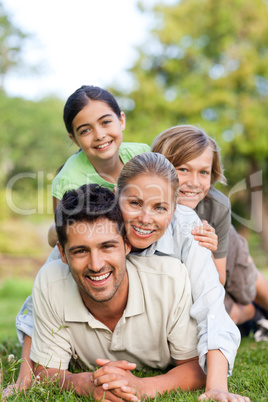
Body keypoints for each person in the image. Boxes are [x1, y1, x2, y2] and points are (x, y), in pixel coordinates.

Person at [12, 153, 247, 402]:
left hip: (177, 311)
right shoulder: (95, 222)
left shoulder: (188, 231)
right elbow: (38, 301)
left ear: (175, 207)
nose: (145, 219)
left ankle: (250, 311)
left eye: (160, 207)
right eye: (134, 203)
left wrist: (217, 386)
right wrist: (25, 380)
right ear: (116, 195)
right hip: (139, 311)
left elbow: (210, 306)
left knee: (231, 303)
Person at [31, 183, 207, 400]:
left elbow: (196, 366)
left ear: (126, 244)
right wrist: (84, 383)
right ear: (63, 254)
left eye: (107, 246)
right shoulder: (50, 282)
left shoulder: (170, 279)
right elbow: (44, 372)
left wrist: (141, 386)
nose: (96, 265)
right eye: (80, 251)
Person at [151, 124, 268, 338]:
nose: (194, 182)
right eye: (183, 169)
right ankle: (251, 312)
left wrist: (212, 251)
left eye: (203, 172)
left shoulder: (217, 205)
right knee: (223, 315)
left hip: (225, 250)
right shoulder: (146, 205)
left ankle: (258, 305)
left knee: (247, 285)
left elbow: (219, 280)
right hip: (195, 272)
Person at [48, 84, 150, 246]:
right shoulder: (68, 182)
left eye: (106, 122)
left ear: (121, 120)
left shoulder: (143, 154)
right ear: (74, 139)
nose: (99, 135)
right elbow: (62, 237)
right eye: (85, 131)